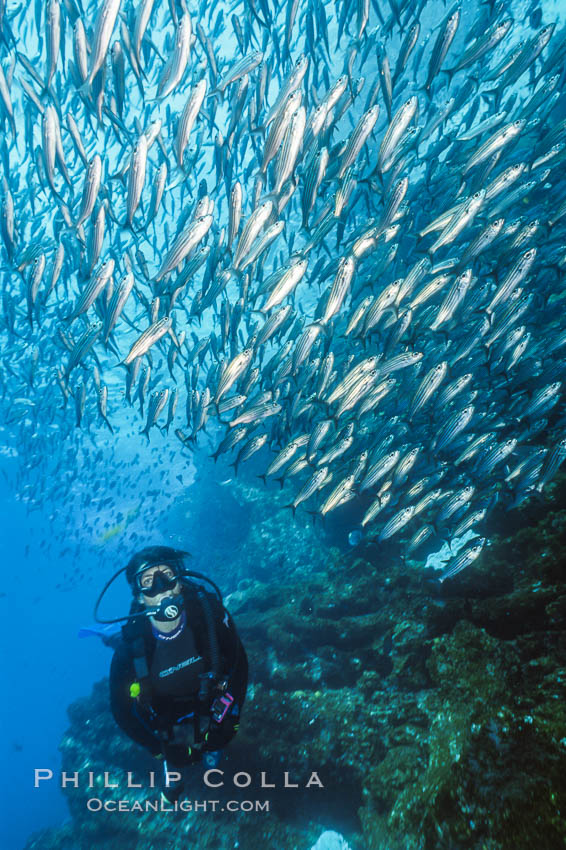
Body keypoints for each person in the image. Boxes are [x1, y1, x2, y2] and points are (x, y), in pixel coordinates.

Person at [108, 545, 248, 802]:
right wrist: (156, 748)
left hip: (208, 697)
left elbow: (239, 661)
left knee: (221, 739)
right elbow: (121, 711)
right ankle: (106, 637)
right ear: (140, 597)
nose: (161, 587)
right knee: (178, 756)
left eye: (167, 575)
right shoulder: (129, 652)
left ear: (180, 582)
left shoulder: (211, 615)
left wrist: (233, 708)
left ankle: (209, 747)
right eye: (148, 582)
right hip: (165, 713)